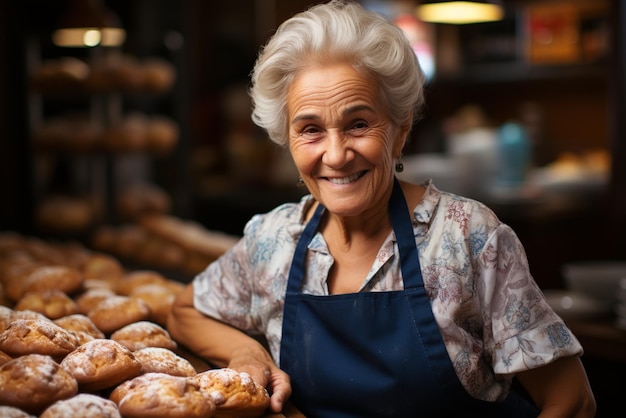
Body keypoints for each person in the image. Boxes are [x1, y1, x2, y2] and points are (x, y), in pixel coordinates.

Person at [167, 1, 596, 416]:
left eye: (358, 124)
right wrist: (246, 351)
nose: (336, 156)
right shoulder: (273, 240)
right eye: (311, 130)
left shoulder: (468, 238)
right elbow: (186, 311)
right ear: (287, 139)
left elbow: (572, 400)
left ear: (400, 127)